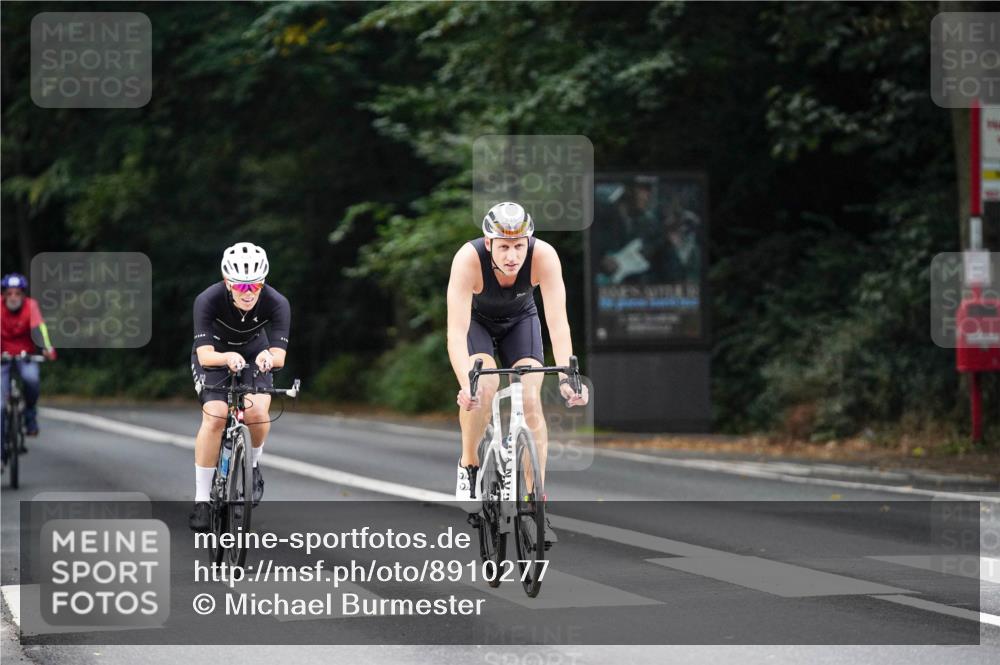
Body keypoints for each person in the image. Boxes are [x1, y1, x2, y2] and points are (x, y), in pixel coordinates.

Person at [446, 202, 589, 548]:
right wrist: (467, 383)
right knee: (486, 384)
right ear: (489, 243)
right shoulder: (468, 259)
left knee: (529, 396)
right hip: (477, 325)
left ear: (529, 242)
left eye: (519, 246)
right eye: (504, 247)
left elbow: (558, 322)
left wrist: (568, 377)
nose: (513, 256)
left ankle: (535, 506)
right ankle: (469, 466)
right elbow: (456, 332)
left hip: (520, 321)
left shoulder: (545, 257)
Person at [188, 243, 290, 532]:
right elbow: (205, 355)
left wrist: (267, 357)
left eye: (255, 286)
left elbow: (279, 356)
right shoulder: (207, 300)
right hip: (215, 354)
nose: (248, 293)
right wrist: (226, 357)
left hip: (255, 351)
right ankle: (202, 501)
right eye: (241, 286)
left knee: (257, 412)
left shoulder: (277, 302)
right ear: (227, 282)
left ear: (263, 283)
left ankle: (252, 466)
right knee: (216, 415)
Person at [0, 273, 57, 451]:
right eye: (9, 293)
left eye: (17, 293)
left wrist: (47, 347)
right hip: (2, 356)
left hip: (26, 355)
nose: (13, 297)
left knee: (31, 379)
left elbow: (40, 328)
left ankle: (30, 414)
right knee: (0, 405)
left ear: (23, 295)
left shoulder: (31, 306)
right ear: (4, 295)